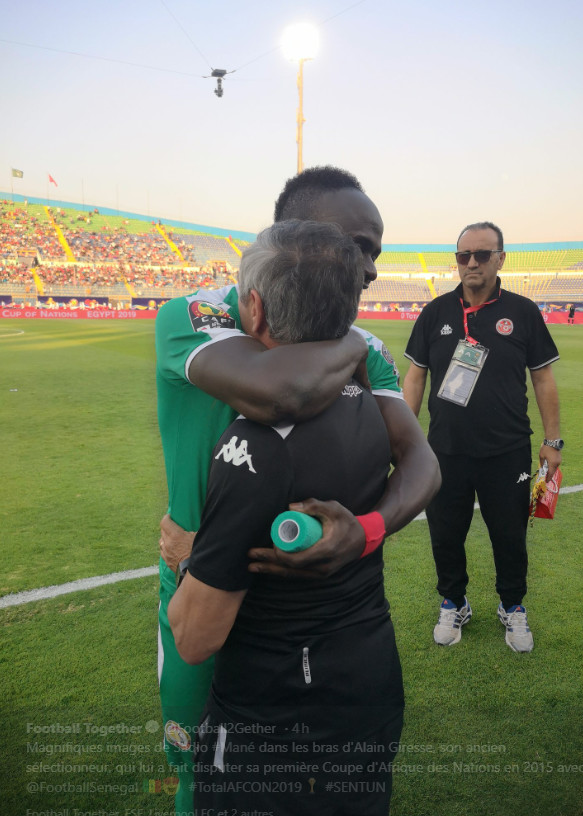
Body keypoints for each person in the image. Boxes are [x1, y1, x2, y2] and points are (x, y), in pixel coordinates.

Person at [156, 166, 441, 813]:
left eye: (374, 250)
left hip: (308, 604)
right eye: (354, 246)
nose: (366, 268)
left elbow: (421, 462)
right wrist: (349, 339)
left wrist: (367, 529)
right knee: (190, 758)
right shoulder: (194, 315)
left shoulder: (363, 345)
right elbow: (281, 391)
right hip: (201, 577)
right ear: (292, 234)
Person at [403, 221, 562, 653]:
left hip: (506, 451)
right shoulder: (435, 312)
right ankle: (454, 602)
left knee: (509, 536)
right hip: (444, 454)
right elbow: (416, 376)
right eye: (463, 255)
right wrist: (404, 438)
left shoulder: (523, 311)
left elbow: (543, 378)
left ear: (500, 259)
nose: (471, 263)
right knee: (445, 534)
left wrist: (554, 441)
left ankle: (512, 607)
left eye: (481, 254)